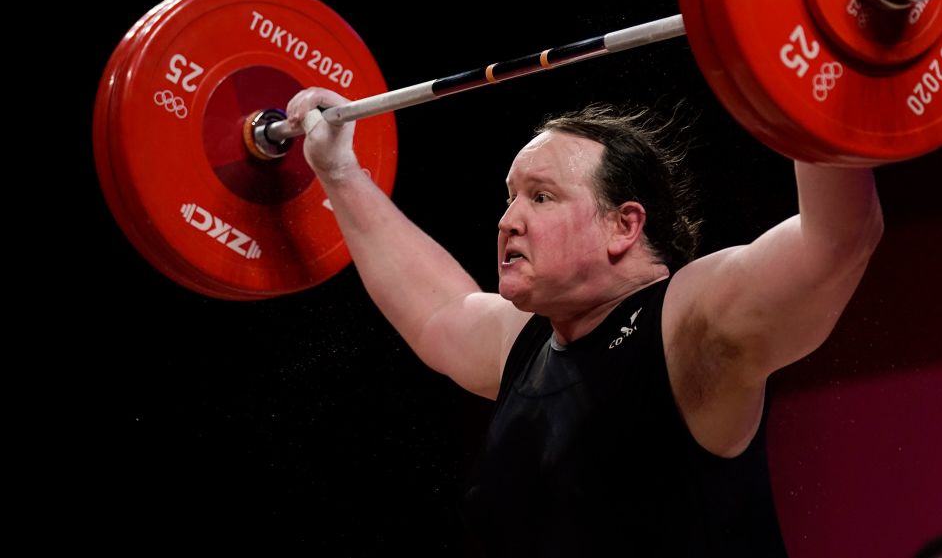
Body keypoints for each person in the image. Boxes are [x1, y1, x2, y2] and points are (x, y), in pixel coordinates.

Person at [285, 89, 884, 557]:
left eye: (541, 197)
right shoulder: (527, 346)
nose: (508, 220)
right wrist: (339, 172)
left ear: (624, 226)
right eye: (510, 196)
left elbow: (835, 240)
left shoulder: (685, 325)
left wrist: (814, 74)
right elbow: (438, 307)